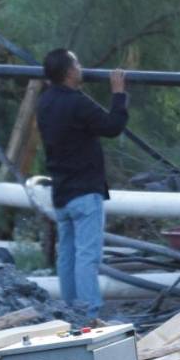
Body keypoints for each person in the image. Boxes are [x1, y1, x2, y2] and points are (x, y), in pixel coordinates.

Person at [37, 49, 128, 325]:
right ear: (68, 72)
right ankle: (89, 315)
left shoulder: (44, 102)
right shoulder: (77, 103)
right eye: (77, 63)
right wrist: (119, 93)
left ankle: (69, 312)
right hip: (85, 192)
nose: (82, 67)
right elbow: (113, 126)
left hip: (61, 193)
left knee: (67, 255)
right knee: (87, 256)